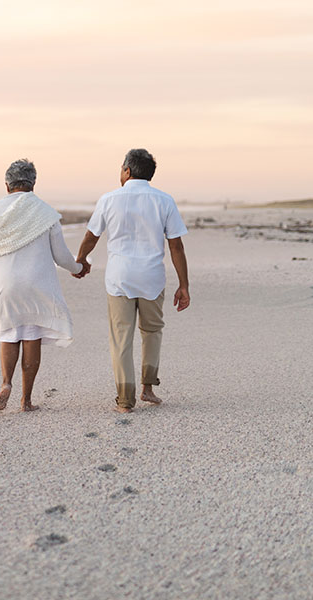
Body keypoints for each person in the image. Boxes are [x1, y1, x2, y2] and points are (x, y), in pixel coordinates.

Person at [74, 148, 190, 413]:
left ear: (126, 170)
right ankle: (148, 388)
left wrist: (81, 261)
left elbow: (92, 236)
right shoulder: (164, 200)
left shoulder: (109, 199)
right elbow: (176, 247)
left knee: (121, 338)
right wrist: (184, 285)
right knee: (152, 331)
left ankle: (125, 401)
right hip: (152, 277)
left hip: (120, 278)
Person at [0, 159, 85, 412]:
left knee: (8, 336)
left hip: (5, 286)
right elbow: (61, 256)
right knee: (31, 337)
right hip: (37, 285)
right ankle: (26, 400)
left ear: (7, 185)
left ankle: (5, 383)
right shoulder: (45, 211)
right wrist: (79, 269)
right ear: (33, 184)